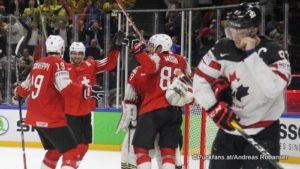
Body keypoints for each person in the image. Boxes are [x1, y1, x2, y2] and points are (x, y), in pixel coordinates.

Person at [192, 4, 291, 169]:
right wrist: (213, 107)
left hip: (263, 132)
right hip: (230, 129)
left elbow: (272, 89)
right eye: (232, 30)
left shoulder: (275, 52)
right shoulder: (222, 47)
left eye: (242, 32)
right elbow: (200, 80)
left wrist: (251, 54)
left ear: (254, 30)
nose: (236, 37)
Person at [14, 35, 103, 169]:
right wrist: (87, 91)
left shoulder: (38, 64)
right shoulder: (58, 63)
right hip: (51, 118)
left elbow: (23, 89)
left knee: (55, 150)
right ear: (61, 49)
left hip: (34, 118)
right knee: (72, 151)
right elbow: (65, 86)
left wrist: (17, 93)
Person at [126, 33, 192, 169]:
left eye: (151, 46)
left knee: (140, 148)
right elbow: (189, 83)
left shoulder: (157, 57)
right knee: (168, 152)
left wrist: (138, 51)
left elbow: (150, 67)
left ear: (159, 47)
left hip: (152, 109)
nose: (149, 49)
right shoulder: (182, 61)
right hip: (174, 112)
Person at [61, 31, 124, 165]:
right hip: (70, 113)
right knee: (73, 148)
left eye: (79, 53)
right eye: (73, 53)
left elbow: (109, 64)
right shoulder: (63, 69)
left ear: (83, 54)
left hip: (86, 112)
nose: (76, 56)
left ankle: (72, 165)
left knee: (84, 146)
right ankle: (69, 165)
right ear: (70, 54)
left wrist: (116, 48)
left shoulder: (91, 64)